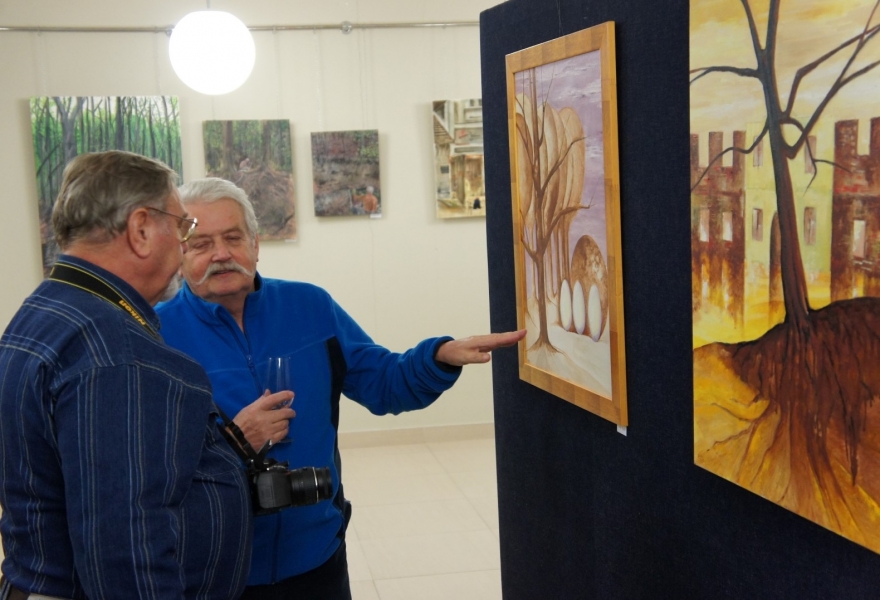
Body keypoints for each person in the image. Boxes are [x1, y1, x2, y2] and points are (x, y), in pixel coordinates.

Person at [156, 177, 525, 600]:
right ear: (179, 253)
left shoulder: (310, 307)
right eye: (201, 244)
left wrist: (438, 357)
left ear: (256, 244)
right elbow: (150, 469)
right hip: (217, 572)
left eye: (233, 238)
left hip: (318, 557)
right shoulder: (157, 335)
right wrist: (235, 443)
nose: (221, 254)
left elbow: (384, 383)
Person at [0, 152, 278, 599]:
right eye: (183, 227)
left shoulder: (47, 309)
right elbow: (125, 552)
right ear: (142, 229)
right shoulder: (120, 356)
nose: (184, 245)